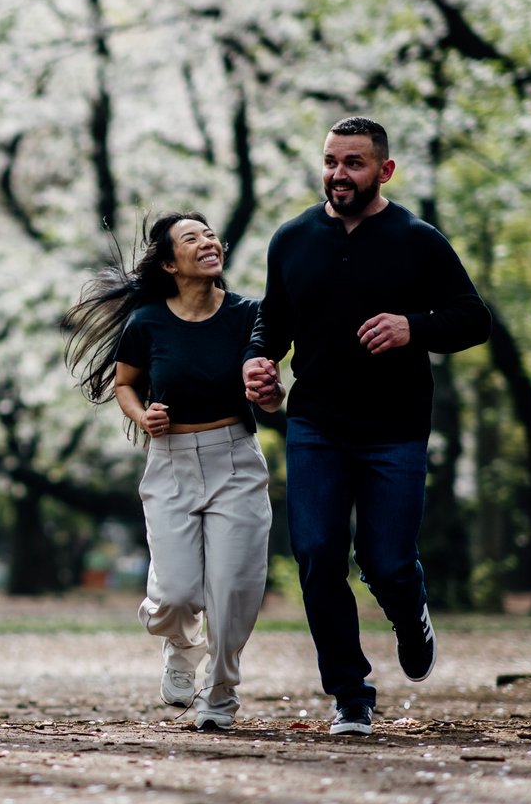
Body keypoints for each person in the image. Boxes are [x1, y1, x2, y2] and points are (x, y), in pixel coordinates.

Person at [244, 117, 492, 736]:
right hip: (316, 424)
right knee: (318, 554)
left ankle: (412, 620)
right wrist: (258, 361)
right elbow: (271, 323)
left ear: (383, 171)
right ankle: (350, 694)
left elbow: (472, 318)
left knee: (385, 560)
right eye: (330, 161)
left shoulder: (417, 240)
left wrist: (415, 326)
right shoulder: (292, 238)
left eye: (353, 163)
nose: (338, 175)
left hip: (396, 428)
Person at [65, 213, 273, 733]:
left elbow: (268, 379)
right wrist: (142, 416)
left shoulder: (251, 315)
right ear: (169, 262)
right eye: (191, 238)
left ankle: (220, 694)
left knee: (234, 590)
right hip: (172, 462)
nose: (207, 242)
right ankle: (180, 645)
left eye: (210, 235)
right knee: (177, 594)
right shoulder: (148, 323)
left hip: (236, 459)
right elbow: (125, 383)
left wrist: (269, 390)